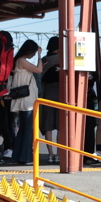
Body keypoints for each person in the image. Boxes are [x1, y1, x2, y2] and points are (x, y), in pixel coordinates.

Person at [9, 40, 42, 164]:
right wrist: (40, 55)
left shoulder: (18, 60)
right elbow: (39, 70)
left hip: (22, 99)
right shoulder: (22, 61)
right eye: (33, 52)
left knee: (23, 129)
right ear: (29, 51)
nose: (33, 55)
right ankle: (26, 157)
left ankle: (18, 156)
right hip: (27, 100)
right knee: (28, 129)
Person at [39, 36, 61, 164]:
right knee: (60, 126)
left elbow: (40, 75)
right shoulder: (63, 59)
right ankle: (58, 154)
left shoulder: (44, 60)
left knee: (47, 125)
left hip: (47, 95)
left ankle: (50, 154)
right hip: (61, 95)